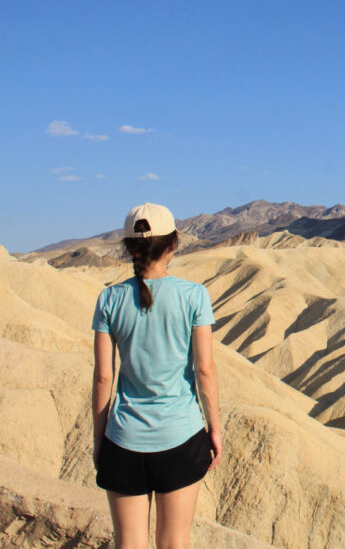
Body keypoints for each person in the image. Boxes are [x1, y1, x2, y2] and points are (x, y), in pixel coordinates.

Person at [91, 202, 223, 549]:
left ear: (128, 247)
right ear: (173, 244)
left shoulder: (109, 299)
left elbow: (104, 377)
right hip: (180, 438)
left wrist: (99, 440)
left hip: (124, 440)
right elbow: (205, 369)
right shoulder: (194, 295)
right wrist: (215, 429)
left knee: (129, 543)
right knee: (174, 542)